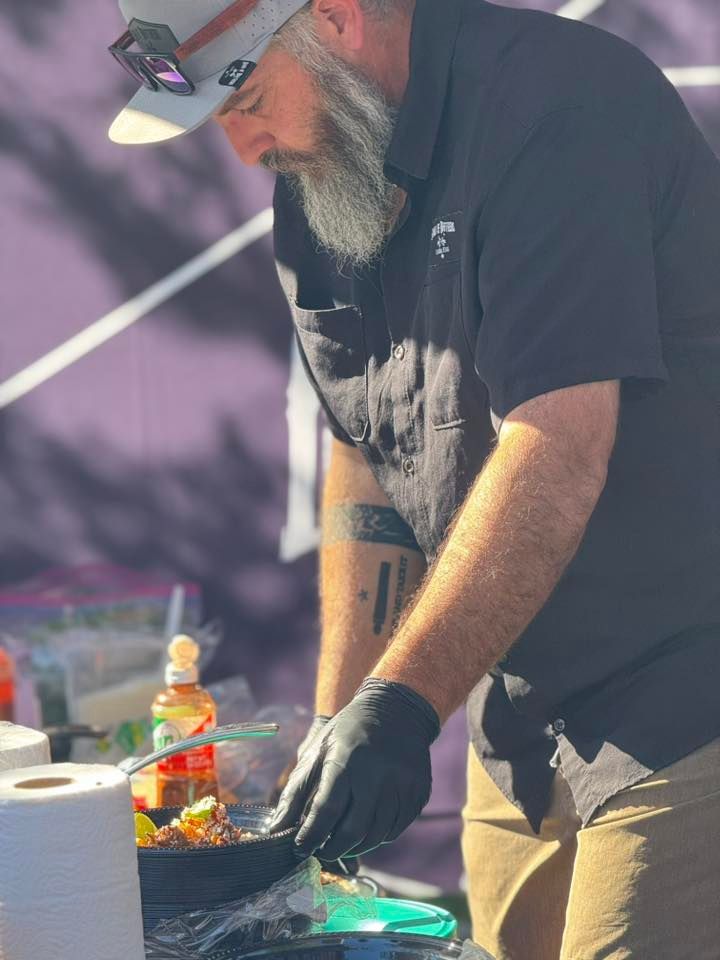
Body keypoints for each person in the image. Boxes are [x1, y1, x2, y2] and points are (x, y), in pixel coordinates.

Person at [109, 1, 720, 956]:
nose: (244, 151)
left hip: (685, 682)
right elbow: (368, 456)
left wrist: (401, 702)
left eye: (247, 101)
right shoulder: (323, 177)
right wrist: (342, 718)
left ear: (338, 17)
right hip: (514, 707)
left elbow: (557, 446)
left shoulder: (557, 108)